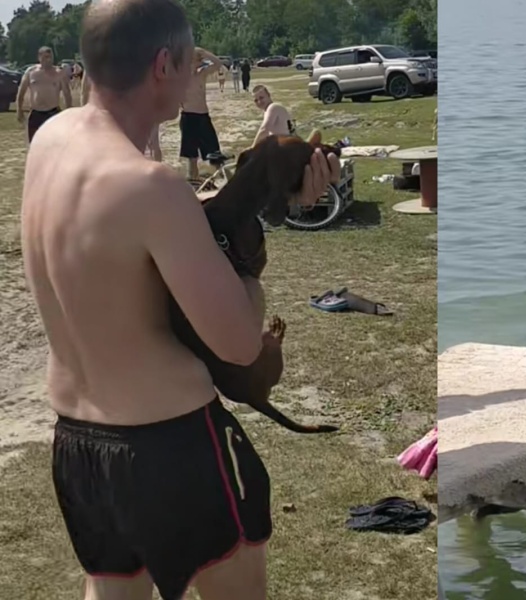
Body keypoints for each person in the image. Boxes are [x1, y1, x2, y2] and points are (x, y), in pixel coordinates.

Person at [19, 0, 341, 598]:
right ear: (164, 65)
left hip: (78, 442)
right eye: (191, 61)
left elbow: (126, 254)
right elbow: (239, 343)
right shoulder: (152, 186)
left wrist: (251, 191)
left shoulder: (52, 141)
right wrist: (247, 266)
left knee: (113, 589)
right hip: (169, 445)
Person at [180, 47, 224, 181]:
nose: (198, 62)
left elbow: (218, 64)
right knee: (191, 154)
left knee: (214, 150)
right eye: (195, 60)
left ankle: (221, 177)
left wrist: (204, 53)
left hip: (203, 116)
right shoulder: (181, 77)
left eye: (199, 60)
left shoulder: (202, 74)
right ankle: (193, 179)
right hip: (188, 116)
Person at [16, 46, 73, 144]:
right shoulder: (31, 72)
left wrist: (68, 113)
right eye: (45, 57)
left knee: (54, 144)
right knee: (34, 144)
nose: (49, 60)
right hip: (36, 114)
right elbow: (21, 92)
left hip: (52, 113)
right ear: (39, 58)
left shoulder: (59, 73)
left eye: (50, 57)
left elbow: (67, 94)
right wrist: (19, 110)